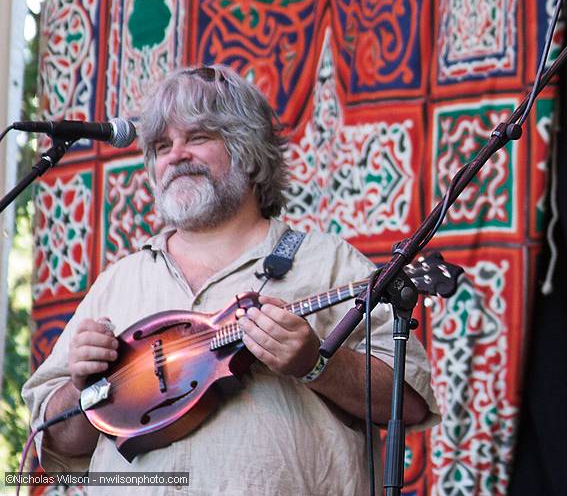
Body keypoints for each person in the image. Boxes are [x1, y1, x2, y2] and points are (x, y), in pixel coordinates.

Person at [23, 65, 438, 493]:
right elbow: (57, 443)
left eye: (198, 137)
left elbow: (406, 402)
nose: (176, 155)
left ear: (247, 148)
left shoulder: (329, 263)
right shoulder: (119, 282)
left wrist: (315, 363)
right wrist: (82, 384)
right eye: (162, 145)